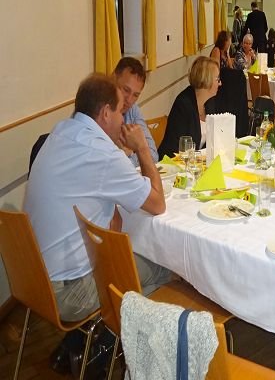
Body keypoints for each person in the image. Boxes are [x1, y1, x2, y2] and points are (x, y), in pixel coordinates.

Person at [25, 74, 170, 370]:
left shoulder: (60, 131)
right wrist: (142, 148)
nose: (123, 118)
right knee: (164, 265)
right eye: (119, 111)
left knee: (122, 250)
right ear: (105, 112)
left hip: (32, 278)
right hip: (67, 292)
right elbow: (158, 204)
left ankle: (82, 343)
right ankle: (103, 351)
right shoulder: (101, 153)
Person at [158, 57, 221, 157]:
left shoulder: (210, 103)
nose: (220, 83)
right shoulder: (183, 105)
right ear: (207, 80)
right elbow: (177, 149)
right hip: (173, 162)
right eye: (217, 79)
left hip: (196, 161)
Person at [113, 56, 158, 166]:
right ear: (113, 79)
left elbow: (153, 156)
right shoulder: (99, 112)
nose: (129, 100)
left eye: (135, 95)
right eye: (126, 90)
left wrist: (129, 154)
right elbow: (111, 165)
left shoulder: (133, 110)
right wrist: (136, 152)